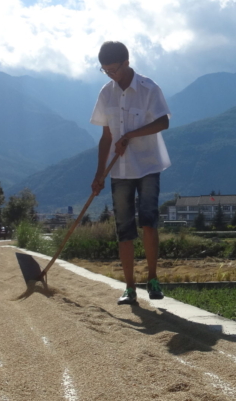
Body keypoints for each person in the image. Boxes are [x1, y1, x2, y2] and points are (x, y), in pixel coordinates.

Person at [90, 41, 171, 305]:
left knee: (148, 222)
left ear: (126, 62)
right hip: (119, 170)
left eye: (114, 69)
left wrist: (130, 135)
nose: (111, 75)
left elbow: (164, 121)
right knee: (123, 229)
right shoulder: (106, 93)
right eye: (105, 71)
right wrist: (99, 173)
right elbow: (105, 137)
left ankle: (154, 279)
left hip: (147, 165)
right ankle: (129, 287)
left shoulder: (149, 88)